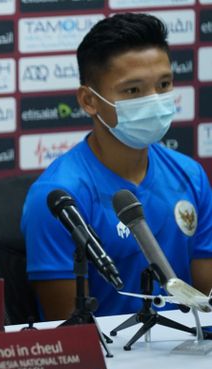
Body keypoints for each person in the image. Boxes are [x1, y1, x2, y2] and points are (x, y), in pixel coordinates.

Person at [21, 13, 212, 321]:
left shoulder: (190, 176)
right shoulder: (58, 197)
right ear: (88, 100)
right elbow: (67, 325)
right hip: (109, 362)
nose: (154, 100)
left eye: (164, 84)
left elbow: (207, 299)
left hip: (188, 354)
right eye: (133, 91)